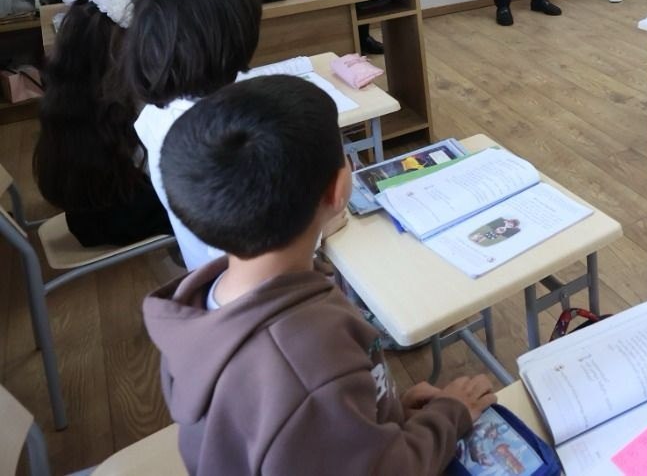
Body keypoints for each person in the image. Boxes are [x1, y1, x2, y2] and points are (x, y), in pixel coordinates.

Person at [143, 76, 496, 473]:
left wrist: (383, 412)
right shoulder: (307, 362)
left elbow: (313, 437)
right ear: (339, 187)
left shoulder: (203, 304)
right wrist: (449, 415)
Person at [126, 0, 263, 270]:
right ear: (227, 44)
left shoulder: (157, 112)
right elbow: (251, 246)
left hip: (210, 271)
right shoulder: (213, 143)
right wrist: (319, 228)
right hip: (245, 283)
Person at [32, 0, 170, 247]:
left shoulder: (61, 96)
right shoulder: (115, 104)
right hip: (117, 219)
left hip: (83, 216)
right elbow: (157, 163)